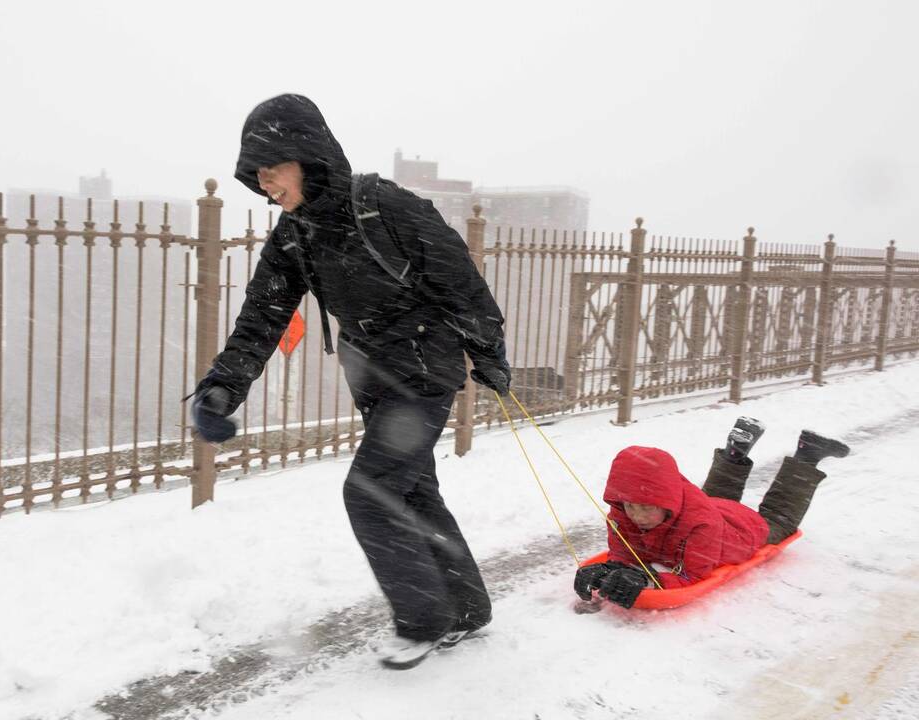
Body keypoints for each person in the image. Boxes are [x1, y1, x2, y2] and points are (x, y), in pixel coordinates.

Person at [190, 94, 510, 668]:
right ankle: (467, 607)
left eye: (270, 169)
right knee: (410, 490)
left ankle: (423, 618)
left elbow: (459, 279)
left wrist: (488, 350)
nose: (264, 185)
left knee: (369, 491)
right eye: (255, 176)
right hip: (372, 375)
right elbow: (262, 317)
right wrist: (223, 385)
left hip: (423, 369)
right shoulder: (294, 235)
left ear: (306, 157)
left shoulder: (385, 206)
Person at [574, 418, 851, 608]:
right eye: (629, 506)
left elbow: (692, 576)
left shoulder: (700, 525)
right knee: (712, 499)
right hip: (708, 509)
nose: (637, 515)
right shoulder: (623, 514)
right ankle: (735, 451)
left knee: (778, 519)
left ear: (666, 501)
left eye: (646, 507)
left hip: (740, 529)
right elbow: (623, 554)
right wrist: (607, 569)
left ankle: (808, 455)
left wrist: (648, 580)